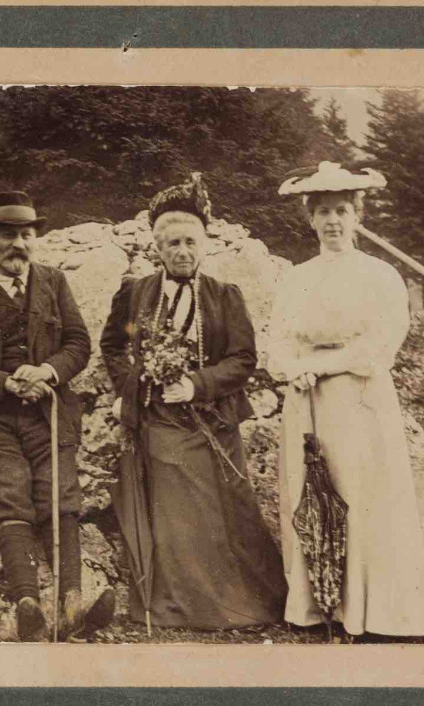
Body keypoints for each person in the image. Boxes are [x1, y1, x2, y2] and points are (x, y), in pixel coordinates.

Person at [267, 161, 424, 637]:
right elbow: (278, 342)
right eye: (323, 211)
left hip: (359, 400)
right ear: (310, 218)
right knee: (313, 496)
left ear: (357, 216)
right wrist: (293, 368)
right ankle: (318, 606)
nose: (333, 221)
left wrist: (320, 365)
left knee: (363, 497)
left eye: (342, 210)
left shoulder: (379, 274)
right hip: (307, 402)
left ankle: (375, 612)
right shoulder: (295, 277)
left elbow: (379, 346)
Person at [100, 174, 287, 630]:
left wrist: (197, 384)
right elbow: (112, 346)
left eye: (190, 242)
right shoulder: (136, 293)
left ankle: (251, 600)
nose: (182, 251)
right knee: (179, 515)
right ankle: (189, 606)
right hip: (160, 422)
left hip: (215, 420)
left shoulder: (224, 297)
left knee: (234, 507)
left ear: (203, 245)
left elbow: (243, 359)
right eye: (172, 244)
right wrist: (137, 383)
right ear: (158, 249)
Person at [0, 190, 114, 642]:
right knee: (9, 498)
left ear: (36, 237)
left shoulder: (54, 283)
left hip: (48, 411)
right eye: (8, 236)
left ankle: (74, 603)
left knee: (60, 494)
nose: (19, 244)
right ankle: (26, 604)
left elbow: (78, 344)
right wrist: (5, 382)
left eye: (26, 235)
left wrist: (49, 371)